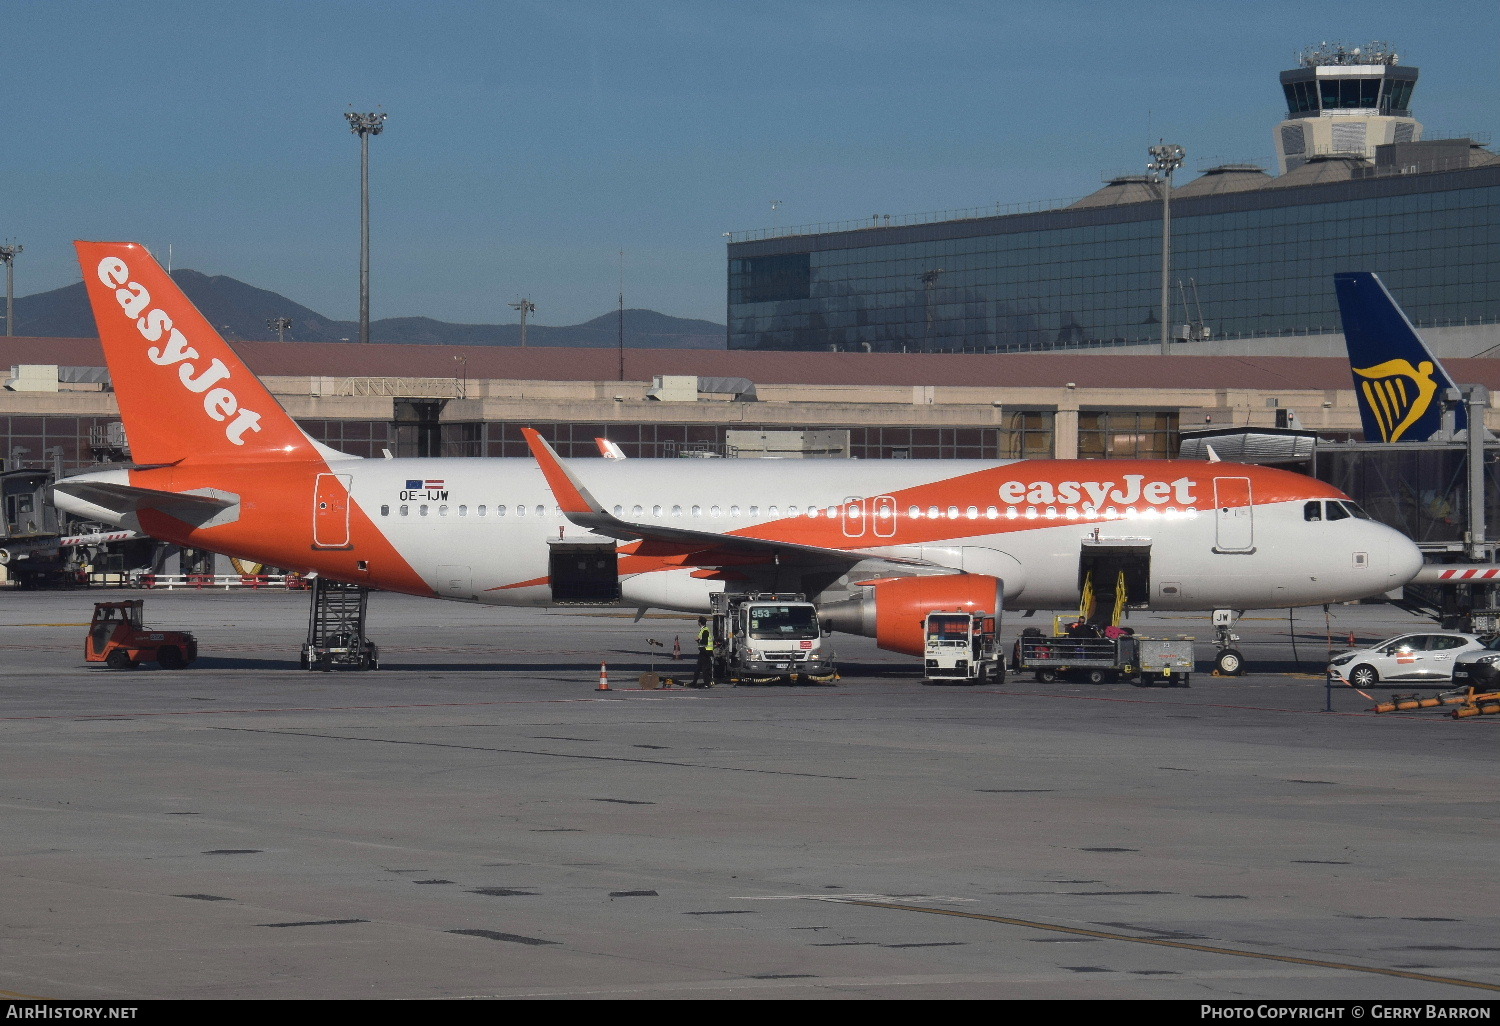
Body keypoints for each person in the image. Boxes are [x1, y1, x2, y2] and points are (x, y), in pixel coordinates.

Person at [689, 616, 715, 688]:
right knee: (698, 668)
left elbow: (705, 642)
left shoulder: (705, 630)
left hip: (706, 652)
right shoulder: (703, 630)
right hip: (703, 651)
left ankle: (707, 683)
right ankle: (694, 682)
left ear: (700, 623)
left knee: (705, 669)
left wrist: (698, 640)